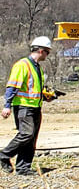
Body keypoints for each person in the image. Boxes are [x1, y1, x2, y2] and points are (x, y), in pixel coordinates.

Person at [0, 37, 54, 176]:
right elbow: (12, 87)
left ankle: (23, 168)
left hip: (35, 107)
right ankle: (4, 155)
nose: (47, 55)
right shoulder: (22, 65)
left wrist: (46, 96)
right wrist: (7, 106)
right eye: (47, 52)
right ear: (41, 51)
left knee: (31, 139)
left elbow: (33, 88)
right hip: (23, 107)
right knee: (26, 134)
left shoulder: (38, 68)